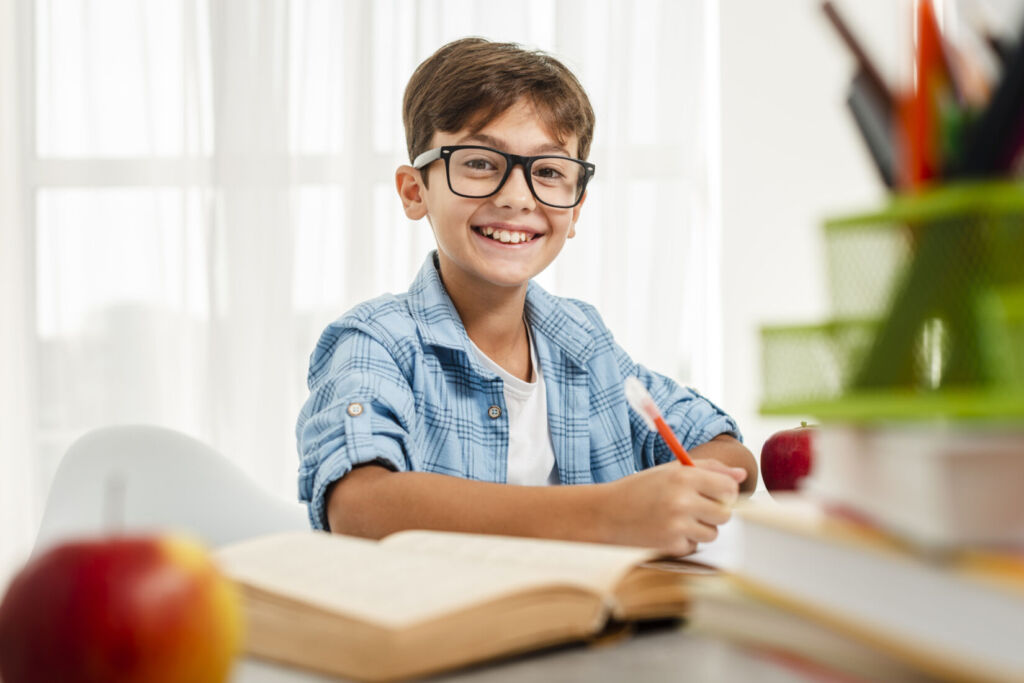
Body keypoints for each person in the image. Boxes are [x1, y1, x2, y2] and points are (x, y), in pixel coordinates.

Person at [296, 37, 757, 557]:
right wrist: (609, 514)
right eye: (478, 163)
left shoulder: (583, 341)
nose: (516, 196)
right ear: (414, 191)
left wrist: (706, 482)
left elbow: (721, 443)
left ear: (575, 210)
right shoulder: (376, 343)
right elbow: (359, 507)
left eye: (549, 172)